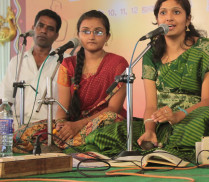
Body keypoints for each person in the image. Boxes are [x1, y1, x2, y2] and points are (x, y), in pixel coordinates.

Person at [74, 0, 209, 160]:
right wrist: (150, 130)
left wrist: (177, 115)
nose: (169, 18)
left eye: (176, 12)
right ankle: (159, 147)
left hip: (194, 117)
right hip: (162, 123)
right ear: (157, 20)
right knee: (110, 133)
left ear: (188, 20)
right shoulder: (151, 54)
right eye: (163, 13)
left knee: (205, 117)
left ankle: (165, 151)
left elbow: (208, 101)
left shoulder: (206, 49)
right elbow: (151, 107)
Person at [13, 10, 128, 152]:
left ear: (107, 36)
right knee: (22, 132)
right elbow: (63, 107)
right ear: (78, 35)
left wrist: (78, 126)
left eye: (98, 32)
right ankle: (66, 143)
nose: (91, 36)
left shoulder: (118, 63)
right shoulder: (67, 64)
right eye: (86, 31)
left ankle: (54, 145)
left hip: (101, 123)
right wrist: (61, 125)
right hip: (72, 123)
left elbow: (113, 109)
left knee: (111, 119)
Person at [0, 9, 61, 130]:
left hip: (49, 130)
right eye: (40, 26)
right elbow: (5, 100)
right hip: (16, 129)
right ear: (33, 28)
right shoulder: (17, 61)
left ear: (56, 35)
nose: (43, 31)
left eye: (50, 29)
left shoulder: (64, 62)